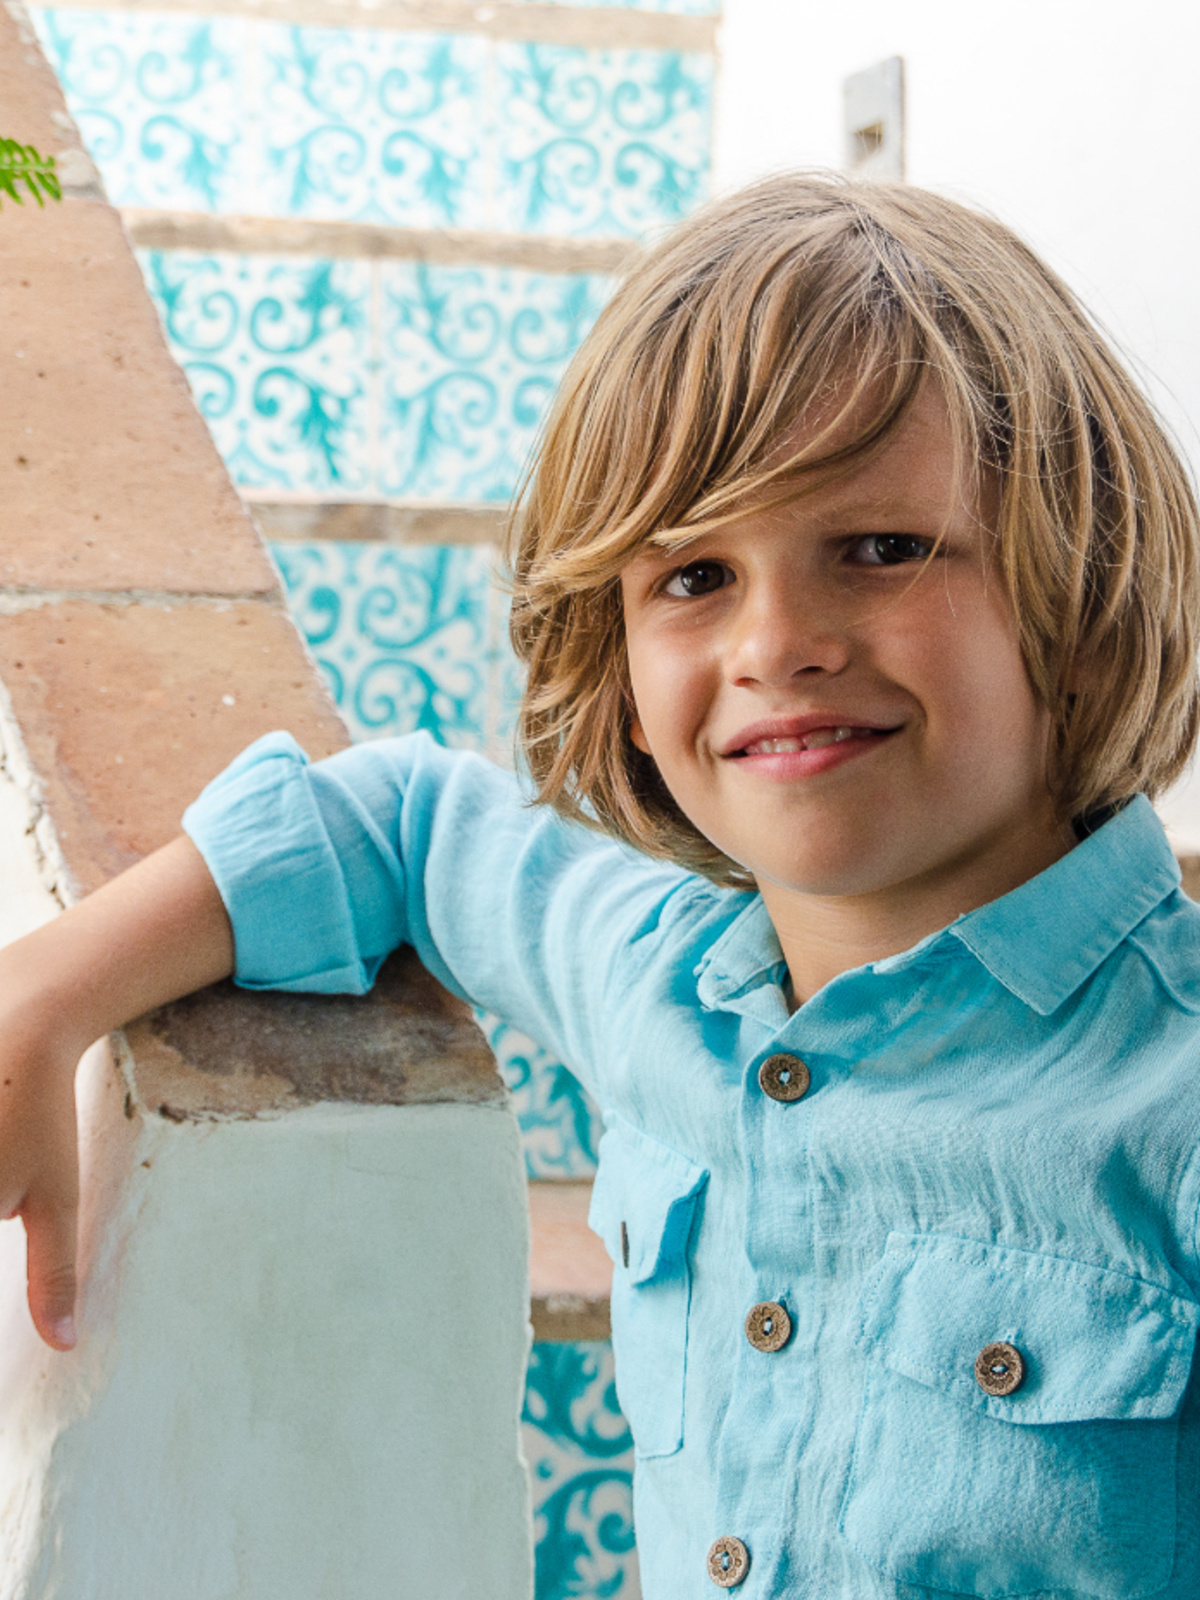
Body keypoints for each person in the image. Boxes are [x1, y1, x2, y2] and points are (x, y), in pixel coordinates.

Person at [2, 172, 1200, 1598]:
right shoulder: (652, 971)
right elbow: (400, 819)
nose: (777, 641)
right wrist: (48, 988)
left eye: (876, 549)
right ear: (624, 681)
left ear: (1075, 592)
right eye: (693, 576)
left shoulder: (1168, 1104)